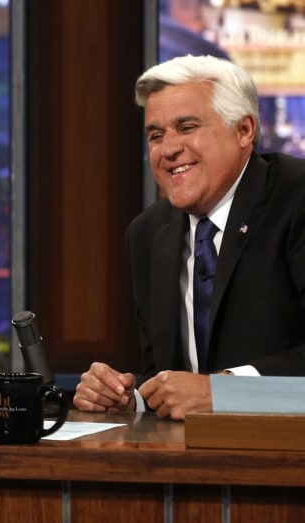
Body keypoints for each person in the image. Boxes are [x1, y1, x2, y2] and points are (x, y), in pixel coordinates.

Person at [73, 55, 305, 421]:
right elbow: (168, 377)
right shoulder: (148, 233)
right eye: (156, 135)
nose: (168, 149)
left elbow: (205, 392)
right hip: (189, 465)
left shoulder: (296, 196)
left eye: (186, 127)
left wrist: (226, 391)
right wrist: (128, 397)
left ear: (244, 130)